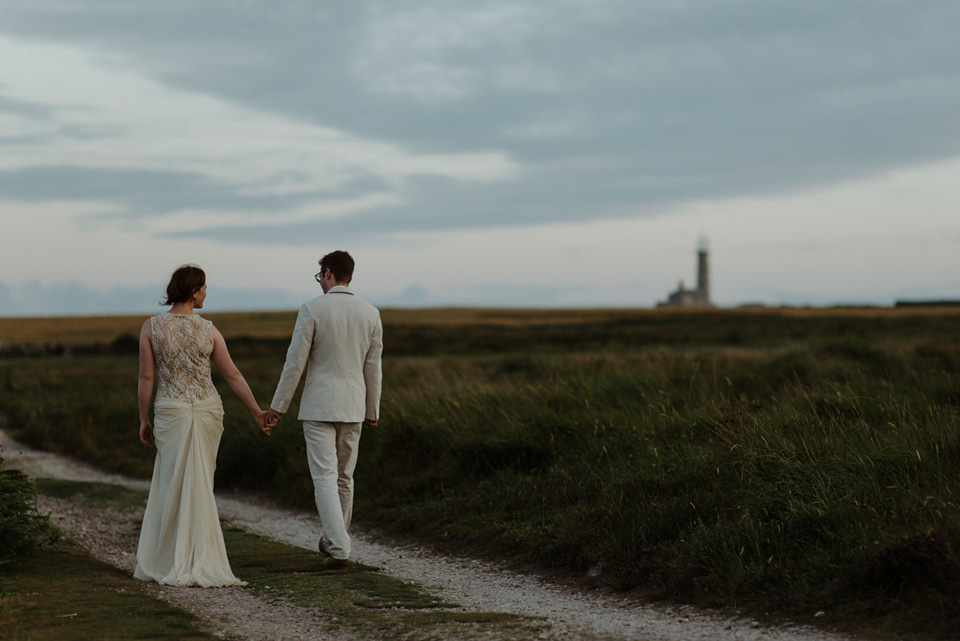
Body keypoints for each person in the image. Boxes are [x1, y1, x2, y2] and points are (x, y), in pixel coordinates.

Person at [134, 264, 272, 587]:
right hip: (207, 409)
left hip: (172, 411)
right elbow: (232, 374)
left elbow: (146, 376)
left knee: (173, 483)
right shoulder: (209, 329)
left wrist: (143, 418)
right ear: (194, 291)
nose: (207, 293)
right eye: (204, 288)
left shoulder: (152, 327)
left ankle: (169, 558)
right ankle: (199, 558)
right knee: (199, 483)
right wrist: (256, 411)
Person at [265, 250, 383, 569]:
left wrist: (278, 407)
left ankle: (339, 547)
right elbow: (373, 367)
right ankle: (335, 541)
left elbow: (295, 364)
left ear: (329, 273)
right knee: (344, 477)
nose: (320, 282)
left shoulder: (312, 309)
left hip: (318, 405)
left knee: (325, 478)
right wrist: (373, 409)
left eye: (321, 276)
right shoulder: (371, 313)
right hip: (355, 405)